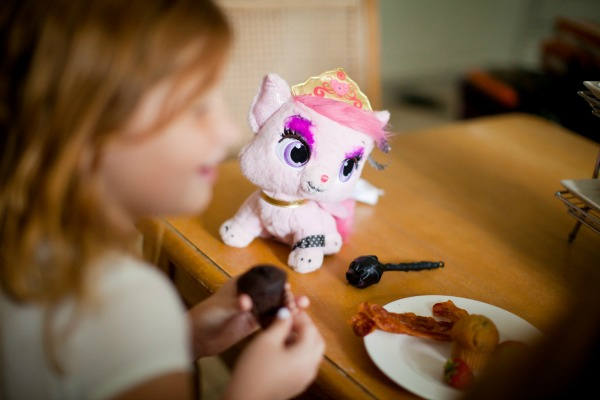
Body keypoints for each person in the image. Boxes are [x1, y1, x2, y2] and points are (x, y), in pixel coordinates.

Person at [0, 1, 325, 399]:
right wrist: (253, 393)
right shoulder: (132, 300)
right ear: (84, 134)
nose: (227, 132)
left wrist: (173, 342)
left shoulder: (25, 252)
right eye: (197, 107)